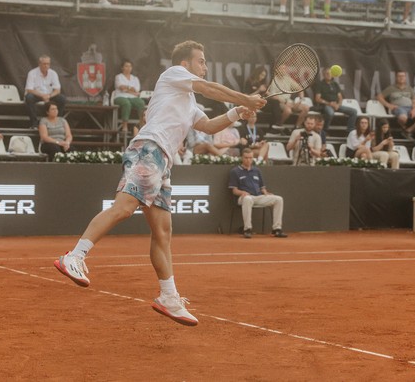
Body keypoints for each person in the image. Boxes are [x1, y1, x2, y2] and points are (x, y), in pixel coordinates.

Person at [52, 40, 265, 327]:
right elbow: (209, 87)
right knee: (125, 207)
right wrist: (245, 98)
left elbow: (209, 126)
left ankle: (169, 297)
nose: (205, 66)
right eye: (201, 61)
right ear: (186, 63)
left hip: (164, 161)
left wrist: (238, 112)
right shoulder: (174, 75)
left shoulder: (189, 101)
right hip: (149, 148)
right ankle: (74, 256)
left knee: (163, 233)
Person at [228, 148, 288, 239]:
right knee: (248, 199)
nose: (248, 160)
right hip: (243, 198)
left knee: (278, 199)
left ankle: (277, 229)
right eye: (246, 158)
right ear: (242, 158)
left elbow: (262, 187)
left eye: (250, 158)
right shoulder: (235, 171)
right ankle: (247, 229)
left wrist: (266, 193)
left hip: (258, 197)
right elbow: (234, 190)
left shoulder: (257, 171)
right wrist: (243, 192)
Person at [377, 71, 415, 137]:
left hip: (410, 108)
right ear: (396, 78)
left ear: (405, 78)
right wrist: (388, 105)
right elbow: (379, 97)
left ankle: (408, 130)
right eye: (399, 76)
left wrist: (414, 110)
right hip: (399, 108)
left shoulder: (409, 88)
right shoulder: (391, 88)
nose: (401, 78)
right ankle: (404, 128)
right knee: (403, 118)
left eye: (403, 76)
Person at [24, 55, 67, 128]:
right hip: (36, 95)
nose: (46, 65)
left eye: (48, 64)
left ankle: (56, 121)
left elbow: (57, 90)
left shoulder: (53, 73)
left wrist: (49, 96)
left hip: (49, 95)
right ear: (39, 64)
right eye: (44, 64)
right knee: (29, 97)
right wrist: (42, 95)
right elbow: (29, 89)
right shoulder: (32, 73)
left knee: (62, 98)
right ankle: (34, 124)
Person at [313, 67, 357, 132]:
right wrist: (329, 104)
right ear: (323, 75)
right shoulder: (320, 84)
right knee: (330, 113)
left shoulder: (335, 84)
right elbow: (317, 99)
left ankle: (350, 131)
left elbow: (340, 97)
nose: (329, 75)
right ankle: (324, 131)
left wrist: (338, 105)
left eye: (330, 73)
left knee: (354, 111)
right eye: (327, 74)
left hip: (336, 105)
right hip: (325, 105)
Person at [244, 66, 286, 132]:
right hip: (253, 102)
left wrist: (277, 98)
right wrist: (258, 90)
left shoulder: (262, 83)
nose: (262, 77)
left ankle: (276, 125)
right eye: (261, 75)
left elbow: (267, 93)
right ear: (257, 73)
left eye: (264, 75)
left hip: (261, 102)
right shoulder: (249, 81)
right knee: (274, 105)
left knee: (275, 104)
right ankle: (276, 124)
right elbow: (246, 97)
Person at [114, 59, 146, 134]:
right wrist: (131, 89)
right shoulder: (118, 77)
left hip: (133, 97)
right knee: (126, 103)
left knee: (141, 102)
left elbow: (136, 89)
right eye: (126, 66)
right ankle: (124, 126)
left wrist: (126, 89)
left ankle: (142, 125)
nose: (128, 68)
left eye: (130, 66)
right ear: (122, 68)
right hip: (120, 96)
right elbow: (121, 87)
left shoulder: (135, 78)